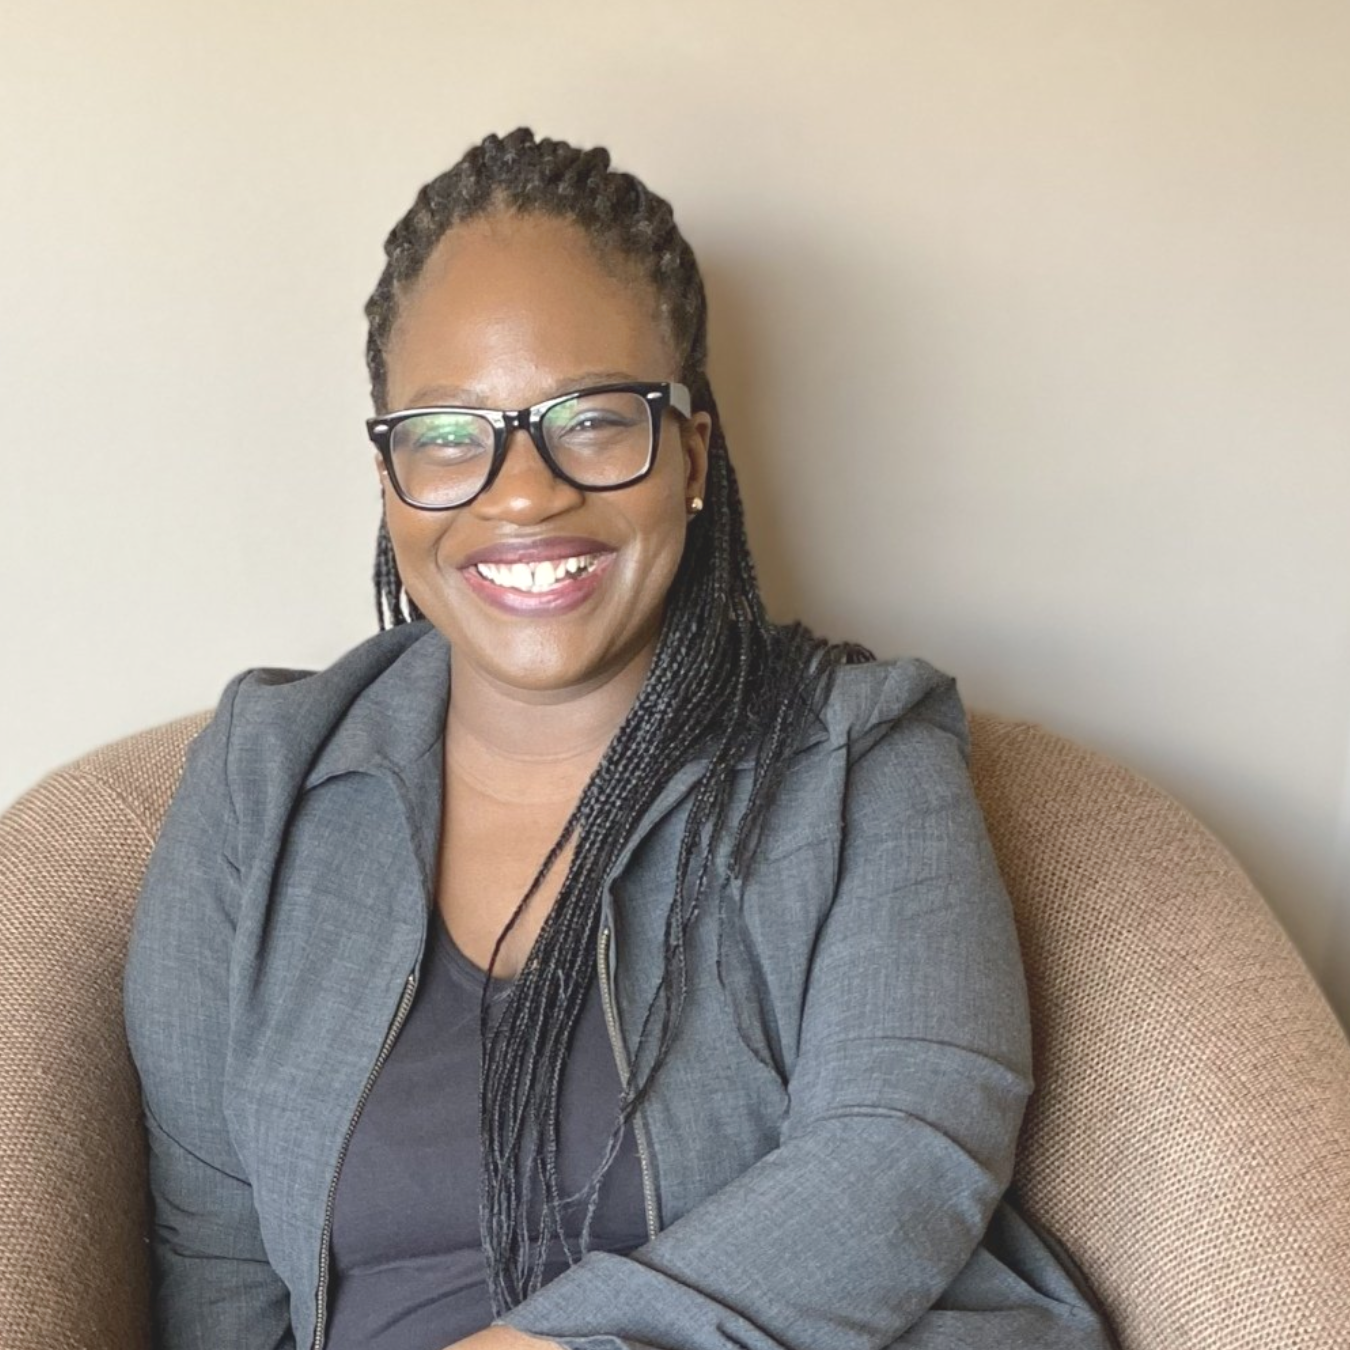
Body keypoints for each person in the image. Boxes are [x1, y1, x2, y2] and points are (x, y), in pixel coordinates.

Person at [123, 128, 1118, 1350]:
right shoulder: (264, 783)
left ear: (691, 455)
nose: (523, 491)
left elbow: (902, 1150)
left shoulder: (860, 760)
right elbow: (214, 1262)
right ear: (388, 478)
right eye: (447, 435)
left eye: (590, 419)